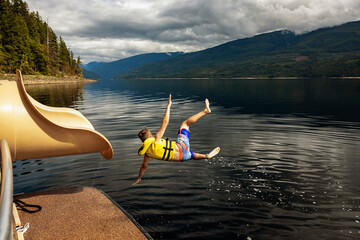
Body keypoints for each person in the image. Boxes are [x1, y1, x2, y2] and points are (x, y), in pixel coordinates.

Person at [133, 94, 220, 186]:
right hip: (182, 147)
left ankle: (207, 156)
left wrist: (139, 178)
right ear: (150, 136)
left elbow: (144, 166)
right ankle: (205, 111)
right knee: (185, 124)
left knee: (192, 155)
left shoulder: (146, 152)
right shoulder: (156, 139)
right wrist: (169, 105)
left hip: (183, 158)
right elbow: (165, 122)